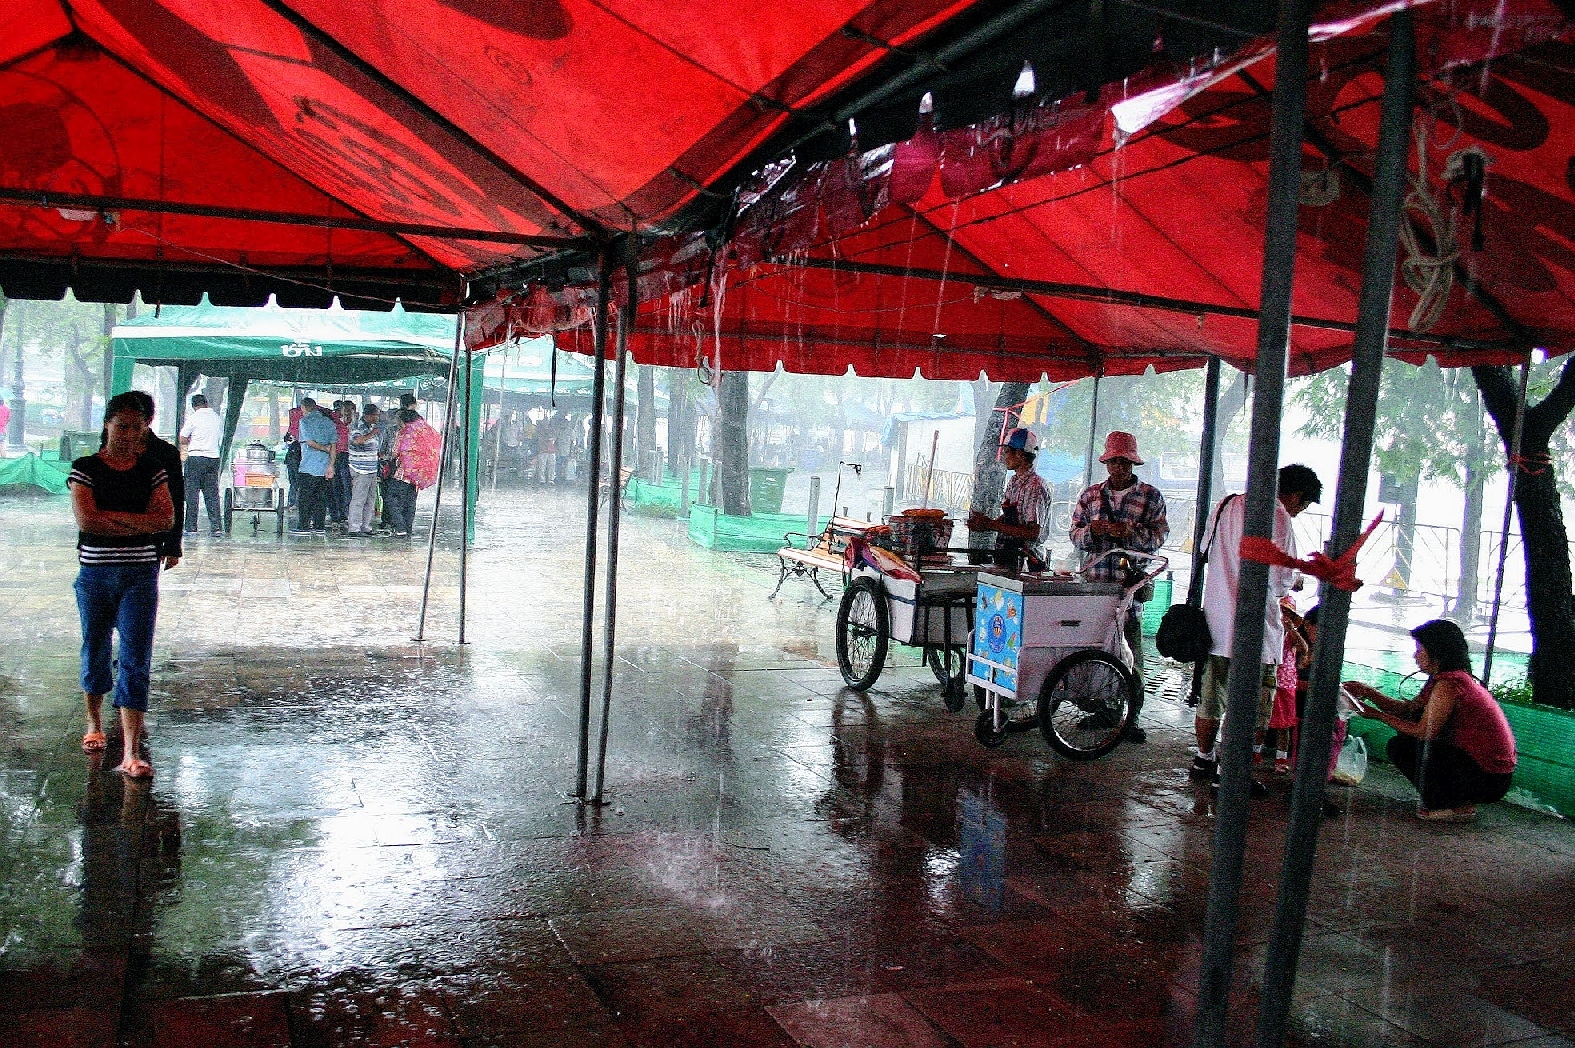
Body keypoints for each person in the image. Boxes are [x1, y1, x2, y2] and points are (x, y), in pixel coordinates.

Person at [1193, 464, 1323, 792]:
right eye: (1303, 505)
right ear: (1295, 495)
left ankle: (1203, 759)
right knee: (1251, 708)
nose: (1299, 512)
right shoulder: (1277, 516)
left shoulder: (1226, 505)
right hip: (1256, 631)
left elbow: (1205, 550)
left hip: (1216, 625)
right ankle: (1231, 774)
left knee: (1211, 700)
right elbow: (1280, 580)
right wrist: (1295, 582)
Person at [69, 393, 176, 779]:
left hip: (140, 576)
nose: (129, 434)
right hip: (95, 575)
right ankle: (94, 721)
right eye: (122, 426)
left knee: (135, 657)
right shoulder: (85, 468)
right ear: (107, 425)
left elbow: (165, 519)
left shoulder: (152, 470)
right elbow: (87, 522)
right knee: (95, 647)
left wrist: (111, 518)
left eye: (137, 427)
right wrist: (138, 520)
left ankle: (131, 750)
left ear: (146, 428)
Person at [1345, 619, 1517, 822]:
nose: (1415, 655)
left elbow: (1424, 731)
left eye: (1420, 649)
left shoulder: (1449, 684)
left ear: (1436, 652)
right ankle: (1454, 800)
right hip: (1490, 773)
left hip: (1488, 778)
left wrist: (1377, 714)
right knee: (1405, 741)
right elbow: (1408, 710)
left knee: (1402, 747)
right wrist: (1368, 692)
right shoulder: (1445, 679)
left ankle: (1455, 805)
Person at [1069, 431, 1170, 742]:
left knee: (1131, 655)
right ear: (1106, 463)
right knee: (1094, 649)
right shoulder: (1090, 496)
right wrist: (1093, 531)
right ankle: (1103, 710)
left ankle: (1131, 717)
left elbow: (1160, 536)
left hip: (1128, 591)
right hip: (1095, 587)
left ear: (1133, 464)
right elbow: (1074, 534)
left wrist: (1130, 532)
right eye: (1114, 462)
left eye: (1124, 462)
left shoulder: (1151, 497)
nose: (1119, 467)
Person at [967, 428, 1050, 572]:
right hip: (1008, 556)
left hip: (1026, 563)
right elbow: (1009, 518)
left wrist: (990, 525)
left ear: (1019, 454)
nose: (1004, 456)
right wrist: (986, 523)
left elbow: (1032, 533)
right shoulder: (1014, 481)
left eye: (1006, 451)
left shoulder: (1034, 486)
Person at [385, 408, 441, 537]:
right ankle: (408, 529)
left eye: (399, 420)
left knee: (391, 499)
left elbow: (395, 452)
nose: (398, 423)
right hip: (417, 475)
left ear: (404, 420)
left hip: (403, 474)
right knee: (410, 502)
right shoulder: (428, 430)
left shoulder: (406, 432)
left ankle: (400, 528)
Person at [178, 393, 224, 537]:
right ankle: (216, 527)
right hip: (213, 458)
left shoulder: (193, 418)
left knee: (192, 494)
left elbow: (182, 438)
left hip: (196, 458)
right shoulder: (217, 418)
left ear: (193, 406)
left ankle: (191, 528)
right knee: (212, 494)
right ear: (206, 403)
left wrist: (190, 441)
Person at [291, 398, 336, 534]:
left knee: (305, 497)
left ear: (303, 408)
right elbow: (334, 445)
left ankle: (303, 525)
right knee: (320, 498)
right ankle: (319, 526)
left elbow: (309, 442)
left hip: (308, 466)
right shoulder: (329, 422)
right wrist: (331, 465)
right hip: (324, 467)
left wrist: (324, 448)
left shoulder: (304, 422)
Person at [346, 403, 383, 536]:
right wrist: (372, 433)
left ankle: (365, 525)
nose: (378, 418)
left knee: (370, 499)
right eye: (376, 415)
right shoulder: (357, 427)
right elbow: (358, 441)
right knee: (359, 499)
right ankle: (354, 527)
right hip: (360, 469)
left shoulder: (371, 427)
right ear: (368, 415)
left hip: (372, 468)